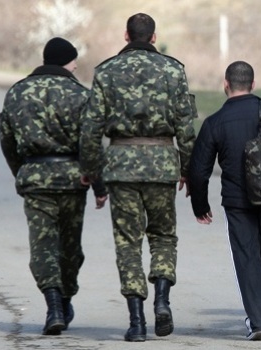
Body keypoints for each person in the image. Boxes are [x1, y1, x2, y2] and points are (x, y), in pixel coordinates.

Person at [79, 13, 196, 342]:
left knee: (127, 242)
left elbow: (90, 132)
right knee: (162, 236)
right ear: (154, 37)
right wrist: (187, 168)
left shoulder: (106, 71)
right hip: (161, 165)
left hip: (121, 167)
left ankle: (136, 322)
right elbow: (186, 126)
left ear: (126, 36)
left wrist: (95, 176)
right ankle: (162, 300)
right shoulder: (174, 70)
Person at [0, 37, 108, 336]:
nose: (76, 65)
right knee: (70, 247)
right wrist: (97, 183)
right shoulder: (80, 94)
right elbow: (90, 143)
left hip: (35, 179)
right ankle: (65, 299)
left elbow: (7, 138)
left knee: (43, 245)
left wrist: (20, 172)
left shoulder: (18, 91)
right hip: (74, 180)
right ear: (66, 61)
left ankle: (53, 305)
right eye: (73, 60)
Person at [188, 61, 261, 341]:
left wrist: (200, 205)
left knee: (247, 256)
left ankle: (257, 320)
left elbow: (198, 170)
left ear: (226, 85)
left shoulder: (215, 122)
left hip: (238, 200)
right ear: (253, 85)